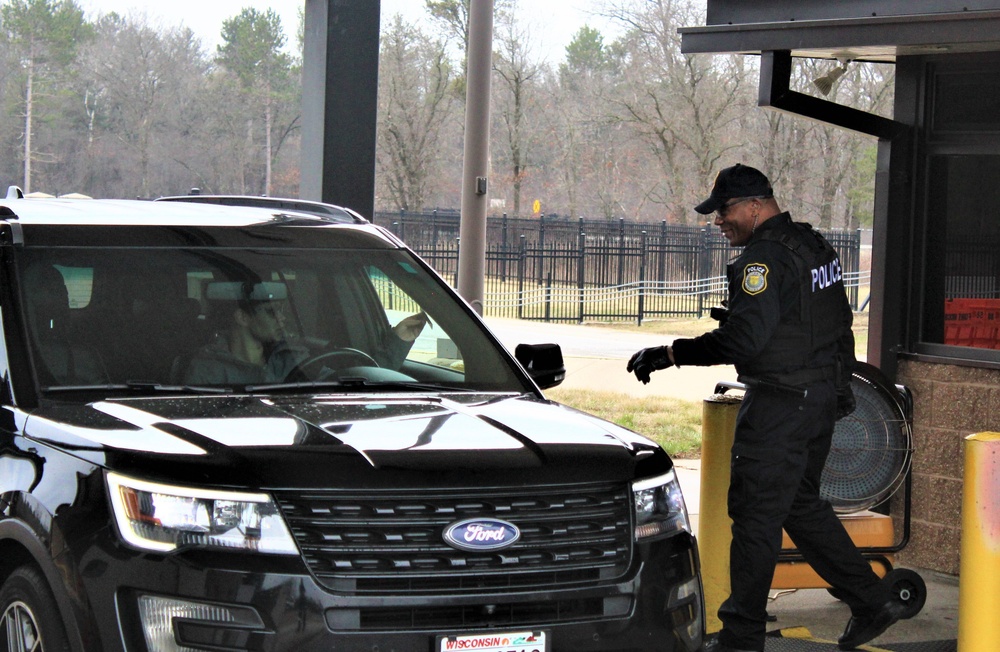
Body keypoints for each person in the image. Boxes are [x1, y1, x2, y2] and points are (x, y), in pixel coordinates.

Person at [627, 164, 908, 652]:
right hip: (817, 400)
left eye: (725, 210)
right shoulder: (813, 246)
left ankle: (740, 638)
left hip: (780, 406)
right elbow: (836, 323)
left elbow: (745, 339)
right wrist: (838, 392)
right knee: (799, 506)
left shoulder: (762, 260)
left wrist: (671, 352)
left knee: (755, 520)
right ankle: (870, 599)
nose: (719, 221)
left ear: (756, 205)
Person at [183, 280, 428, 385]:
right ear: (242, 317)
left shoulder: (292, 360)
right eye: (271, 312)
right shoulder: (207, 369)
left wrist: (398, 340)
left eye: (281, 310)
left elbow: (348, 384)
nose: (282, 318)